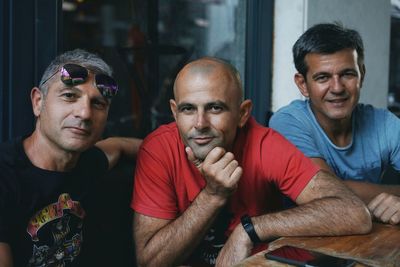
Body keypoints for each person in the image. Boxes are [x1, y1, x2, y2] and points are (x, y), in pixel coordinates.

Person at [131, 57, 371, 267]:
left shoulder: (265, 144)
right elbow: (150, 262)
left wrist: (249, 230)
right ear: (174, 112)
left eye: (215, 108)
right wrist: (213, 196)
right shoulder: (158, 149)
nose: (200, 123)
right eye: (188, 109)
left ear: (242, 113)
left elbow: (355, 213)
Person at [0, 49, 142, 267]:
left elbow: (122, 146)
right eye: (69, 96)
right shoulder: (6, 175)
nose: (85, 113)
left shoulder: (90, 162)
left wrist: (188, 156)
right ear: (38, 102)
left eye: (98, 104)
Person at [269, 23, 400, 226]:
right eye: (323, 77)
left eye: (347, 74)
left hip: (367, 239)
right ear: (303, 84)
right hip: (301, 242)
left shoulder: (384, 123)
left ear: (361, 76)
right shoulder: (287, 122)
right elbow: (327, 195)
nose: (337, 88)